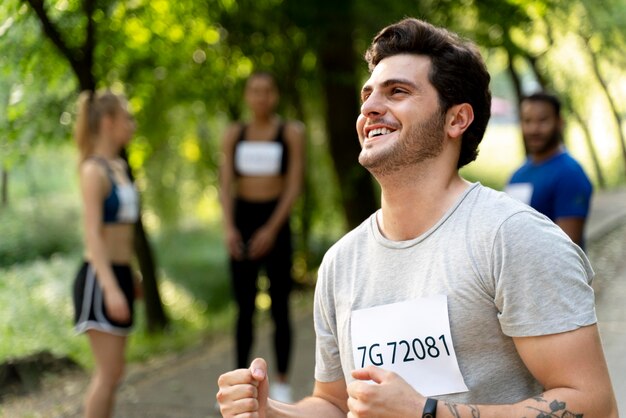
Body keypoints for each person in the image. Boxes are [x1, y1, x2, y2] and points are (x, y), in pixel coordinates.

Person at [216, 18, 618, 418]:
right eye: (367, 94)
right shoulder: (341, 263)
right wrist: (271, 412)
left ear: (456, 119)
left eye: (397, 92)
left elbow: (595, 406)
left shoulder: (512, 238)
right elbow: (335, 403)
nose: (370, 107)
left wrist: (427, 412)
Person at [218, 71, 305, 403]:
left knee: (280, 306)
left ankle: (281, 383)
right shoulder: (234, 133)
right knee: (243, 309)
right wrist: (228, 227)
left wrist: (271, 229)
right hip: (241, 221)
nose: (261, 97)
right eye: (254, 91)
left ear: (276, 95)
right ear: (246, 96)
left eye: (267, 91)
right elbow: (225, 185)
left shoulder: (290, 132)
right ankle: (238, 386)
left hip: (277, 222)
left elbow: (294, 184)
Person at [72, 90, 140, 418]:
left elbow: (124, 232)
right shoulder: (92, 171)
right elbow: (92, 235)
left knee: (115, 374)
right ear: (109, 123)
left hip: (122, 273)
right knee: (108, 373)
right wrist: (111, 287)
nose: (133, 125)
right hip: (100, 280)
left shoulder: (119, 167)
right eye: (128, 118)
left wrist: (133, 275)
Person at [505, 92, 593, 248]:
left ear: (559, 122)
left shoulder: (570, 173)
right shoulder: (517, 176)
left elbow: (568, 245)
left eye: (543, 120)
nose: (534, 129)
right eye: (527, 121)